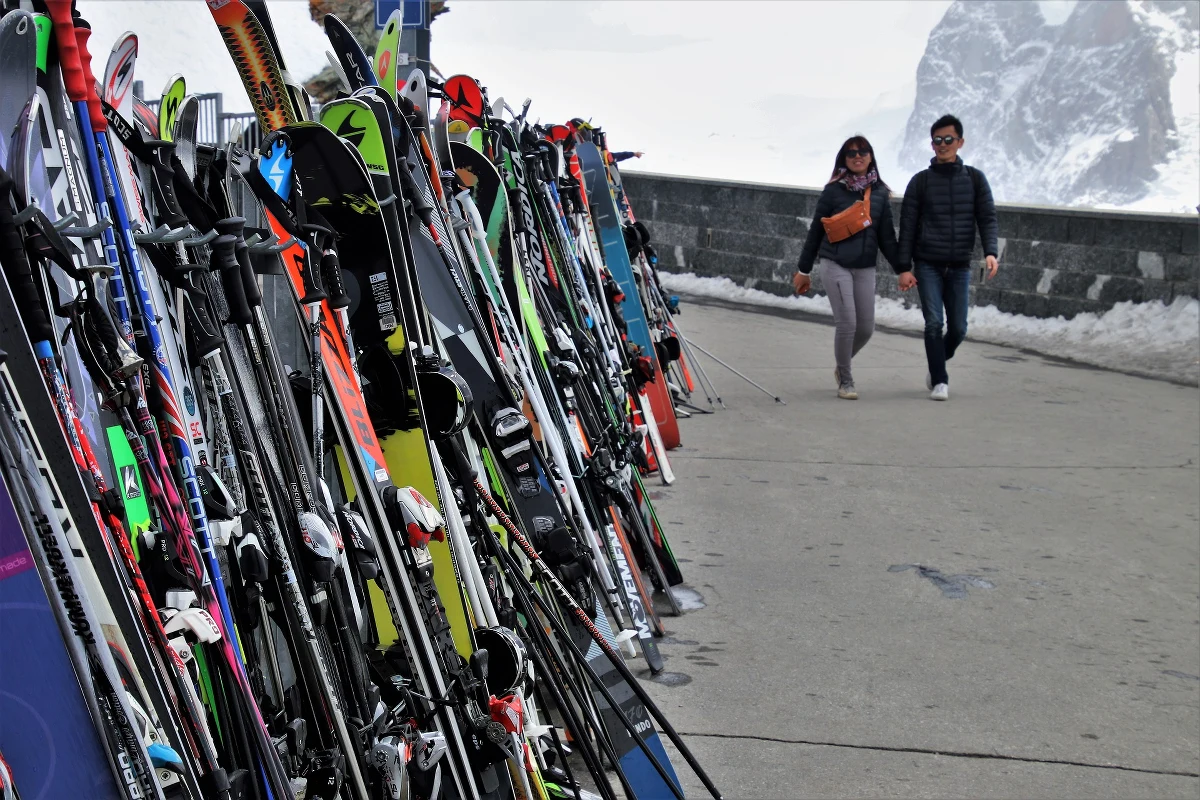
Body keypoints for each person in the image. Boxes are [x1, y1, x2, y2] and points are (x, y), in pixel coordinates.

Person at [794, 135, 913, 400]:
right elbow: (815, 231)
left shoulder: (880, 194)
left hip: (865, 267)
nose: (857, 156)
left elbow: (887, 239)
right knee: (847, 323)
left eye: (863, 152)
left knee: (866, 328)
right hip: (834, 262)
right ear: (843, 161)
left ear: (871, 157)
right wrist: (804, 270)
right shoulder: (833, 191)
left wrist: (903, 269)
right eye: (851, 154)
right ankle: (846, 380)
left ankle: (841, 365)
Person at [898, 114, 999, 401]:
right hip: (928, 263)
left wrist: (991, 252)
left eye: (948, 140)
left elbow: (987, 218)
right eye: (937, 140)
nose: (942, 145)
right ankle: (940, 380)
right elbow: (906, 227)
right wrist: (904, 267)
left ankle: (936, 363)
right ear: (931, 145)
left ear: (960, 142)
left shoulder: (975, 179)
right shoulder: (920, 182)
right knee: (933, 323)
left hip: (959, 265)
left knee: (959, 328)